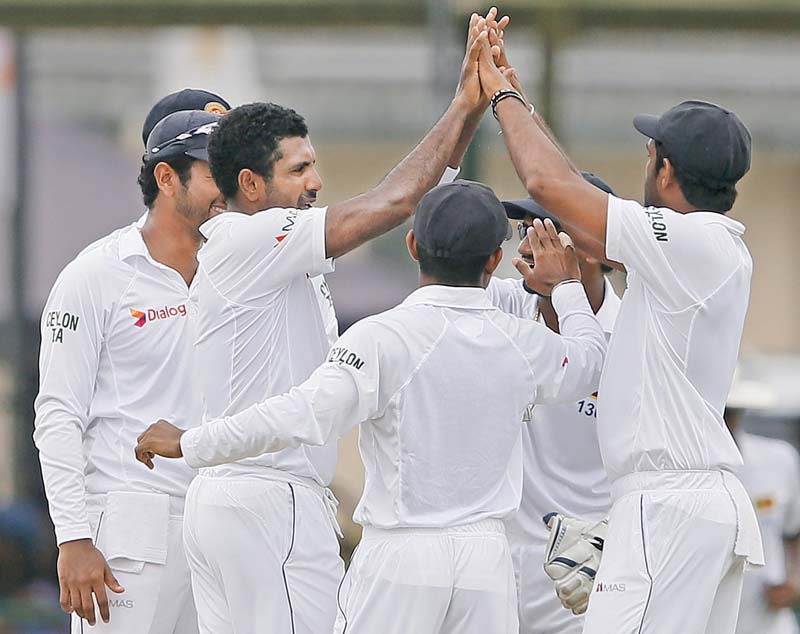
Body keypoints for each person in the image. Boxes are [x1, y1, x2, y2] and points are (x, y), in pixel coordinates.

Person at [132, 12, 508, 634]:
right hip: (267, 500)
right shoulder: (257, 238)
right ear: (250, 184)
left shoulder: (254, 247)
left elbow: (409, 196)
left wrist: (468, 111)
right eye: (299, 170)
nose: (317, 183)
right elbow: (394, 202)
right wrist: (466, 102)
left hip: (233, 499)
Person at [135, 179, 608, 634]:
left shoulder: (382, 337)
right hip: (486, 564)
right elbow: (588, 361)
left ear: (412, 246)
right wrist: (564, 286)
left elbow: (301, 414)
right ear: (495, 259)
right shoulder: (522, 342)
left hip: (401, 558)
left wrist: (192, 441)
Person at [473, 21, 763, 634]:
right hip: (680, 503)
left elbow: (551, 187)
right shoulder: (692, 250)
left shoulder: (691, 244)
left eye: (651, 152)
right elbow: (572, 194)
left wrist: (499, 97)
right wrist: (522, 102)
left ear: (665, 171)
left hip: (668, 505)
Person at [33, 106, 224, 632]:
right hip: (130, 534)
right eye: (213, 173)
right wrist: (72, 537)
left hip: (224, 528)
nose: (228, 187)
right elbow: (57, 415)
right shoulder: (95, 274)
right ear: (167, 177)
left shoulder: (238, 268)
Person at [487, 172, 621, 634]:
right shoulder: (498, 304)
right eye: (525, 231)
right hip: (497, 559)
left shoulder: (634, 336)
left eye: (543, 233)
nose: (524, 248)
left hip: (586, 569)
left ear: (587, 247)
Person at [725, 377, 800, 634]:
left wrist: (795, 581)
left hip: (769, 624)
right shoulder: (671, 472)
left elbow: (794, 533)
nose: (725, 421)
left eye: (730, 411)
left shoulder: (778, 459)